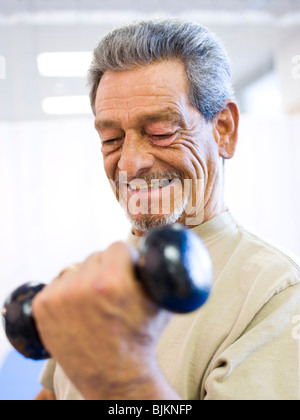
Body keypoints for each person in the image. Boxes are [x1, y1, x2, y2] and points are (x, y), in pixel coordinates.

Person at [35, 20, 300, 400]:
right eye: (111, 140)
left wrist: (123, 378)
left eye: (161, 131)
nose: (130, 163)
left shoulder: (277, 292)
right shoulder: (96, 282)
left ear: (224, 129)